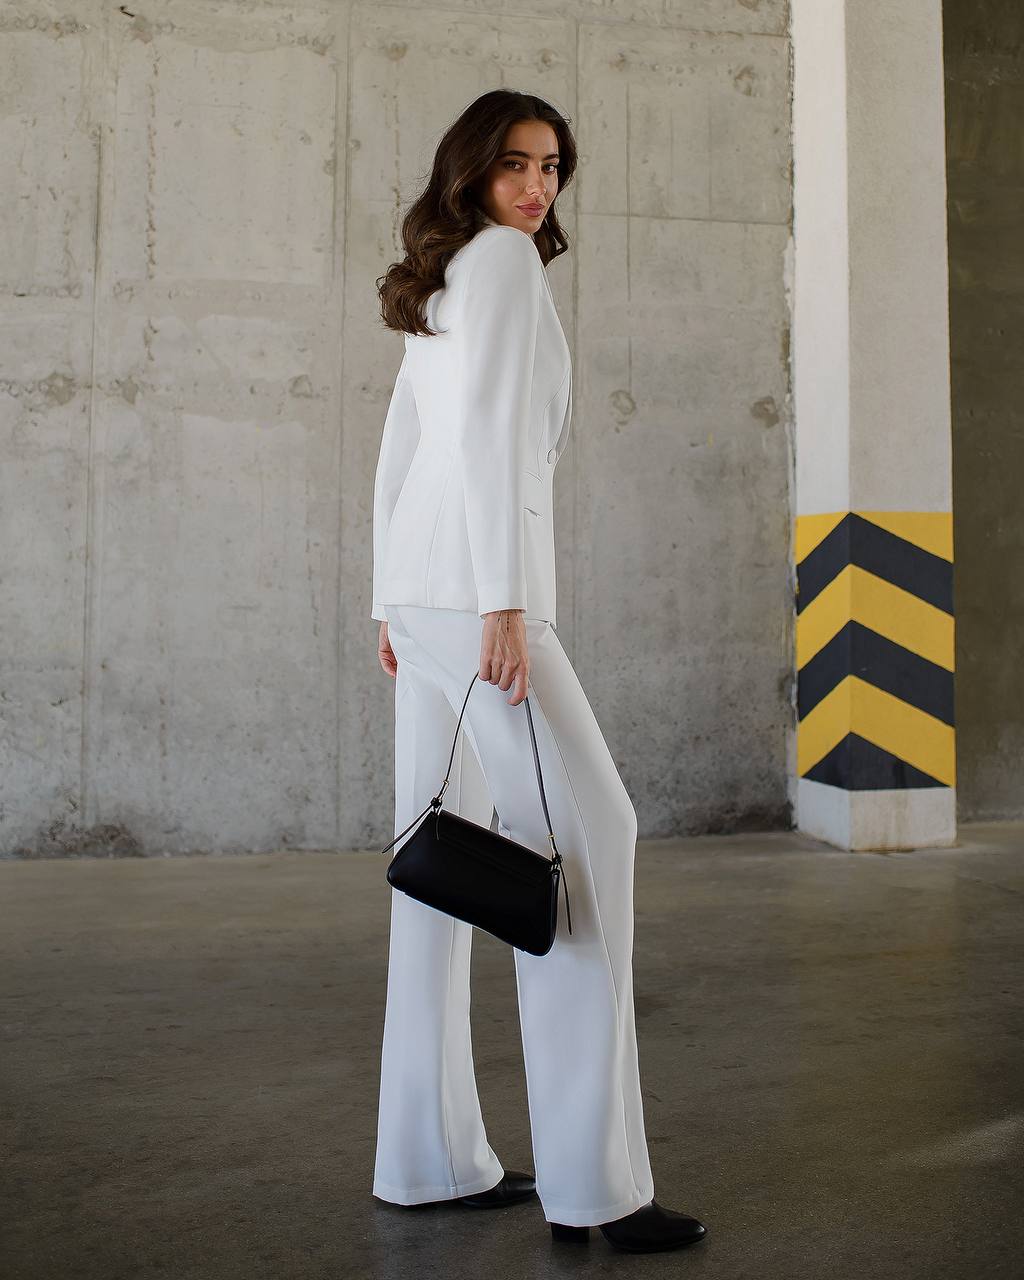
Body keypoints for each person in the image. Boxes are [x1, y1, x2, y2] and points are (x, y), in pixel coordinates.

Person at [368, 88, 707, 1255]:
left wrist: (387, 598)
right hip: (478, 593)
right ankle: (595, 1184)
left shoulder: (443, 270)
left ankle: (425, 1155)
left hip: (425, 594)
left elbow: (404, 441)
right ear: (472, 167)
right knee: (588, 836)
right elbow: (494, 435)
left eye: (552, 167)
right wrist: (504, 601)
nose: (536, 186)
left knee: (434, 848)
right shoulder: (502, 264)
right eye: (515, 163)